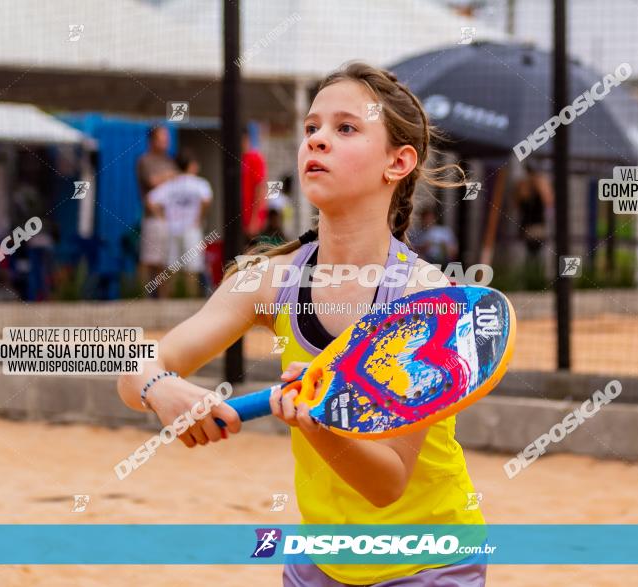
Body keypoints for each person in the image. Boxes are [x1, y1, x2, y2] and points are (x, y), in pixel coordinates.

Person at [117, 61, 488, 586]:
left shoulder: (426, 298)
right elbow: (136, 369)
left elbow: (387, 483)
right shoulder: (269, 281)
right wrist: (162, 388)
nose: (317, 141)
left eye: (345, 128)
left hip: (427, 562)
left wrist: (316, 427)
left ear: (398, 162)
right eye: (312, 128)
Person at [147, 150, 212, 298]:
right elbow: (207, 199)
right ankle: (190, 299)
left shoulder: (171, 184)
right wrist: (199, 217)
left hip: (172, 228)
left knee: (171, 266)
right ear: (192, 166)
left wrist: (162, 217)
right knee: (193, 267)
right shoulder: (200, 183)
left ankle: (170, 299)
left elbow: (150, 200)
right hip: (191, 229)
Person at [137, 126, 178, 296]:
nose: (165, 143)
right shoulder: (145, 161)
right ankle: (144, 296)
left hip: (170, 217)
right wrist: (169, 176)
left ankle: (163, 298)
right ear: (152, 141)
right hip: (153, 216)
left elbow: (178, 180)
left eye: (166, 139)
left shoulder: (169, 160)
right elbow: (152, 181)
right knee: (149, 259)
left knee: (166, 261)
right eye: (162, 139)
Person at [514, 163, 553, 262]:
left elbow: (548, 201)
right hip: (527, 226)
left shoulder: (540, 184)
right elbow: (518, 202)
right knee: (527, 256)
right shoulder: (523, 186)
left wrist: (536, 182)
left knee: (537, 257)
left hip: (536, 226)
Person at [241, 125, 269, 239]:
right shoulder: (237, 159)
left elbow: (260, 188)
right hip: (240, 220)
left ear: (246, 138)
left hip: (252, 220)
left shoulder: (255, 158)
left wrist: (254, 220)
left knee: (252, 254)